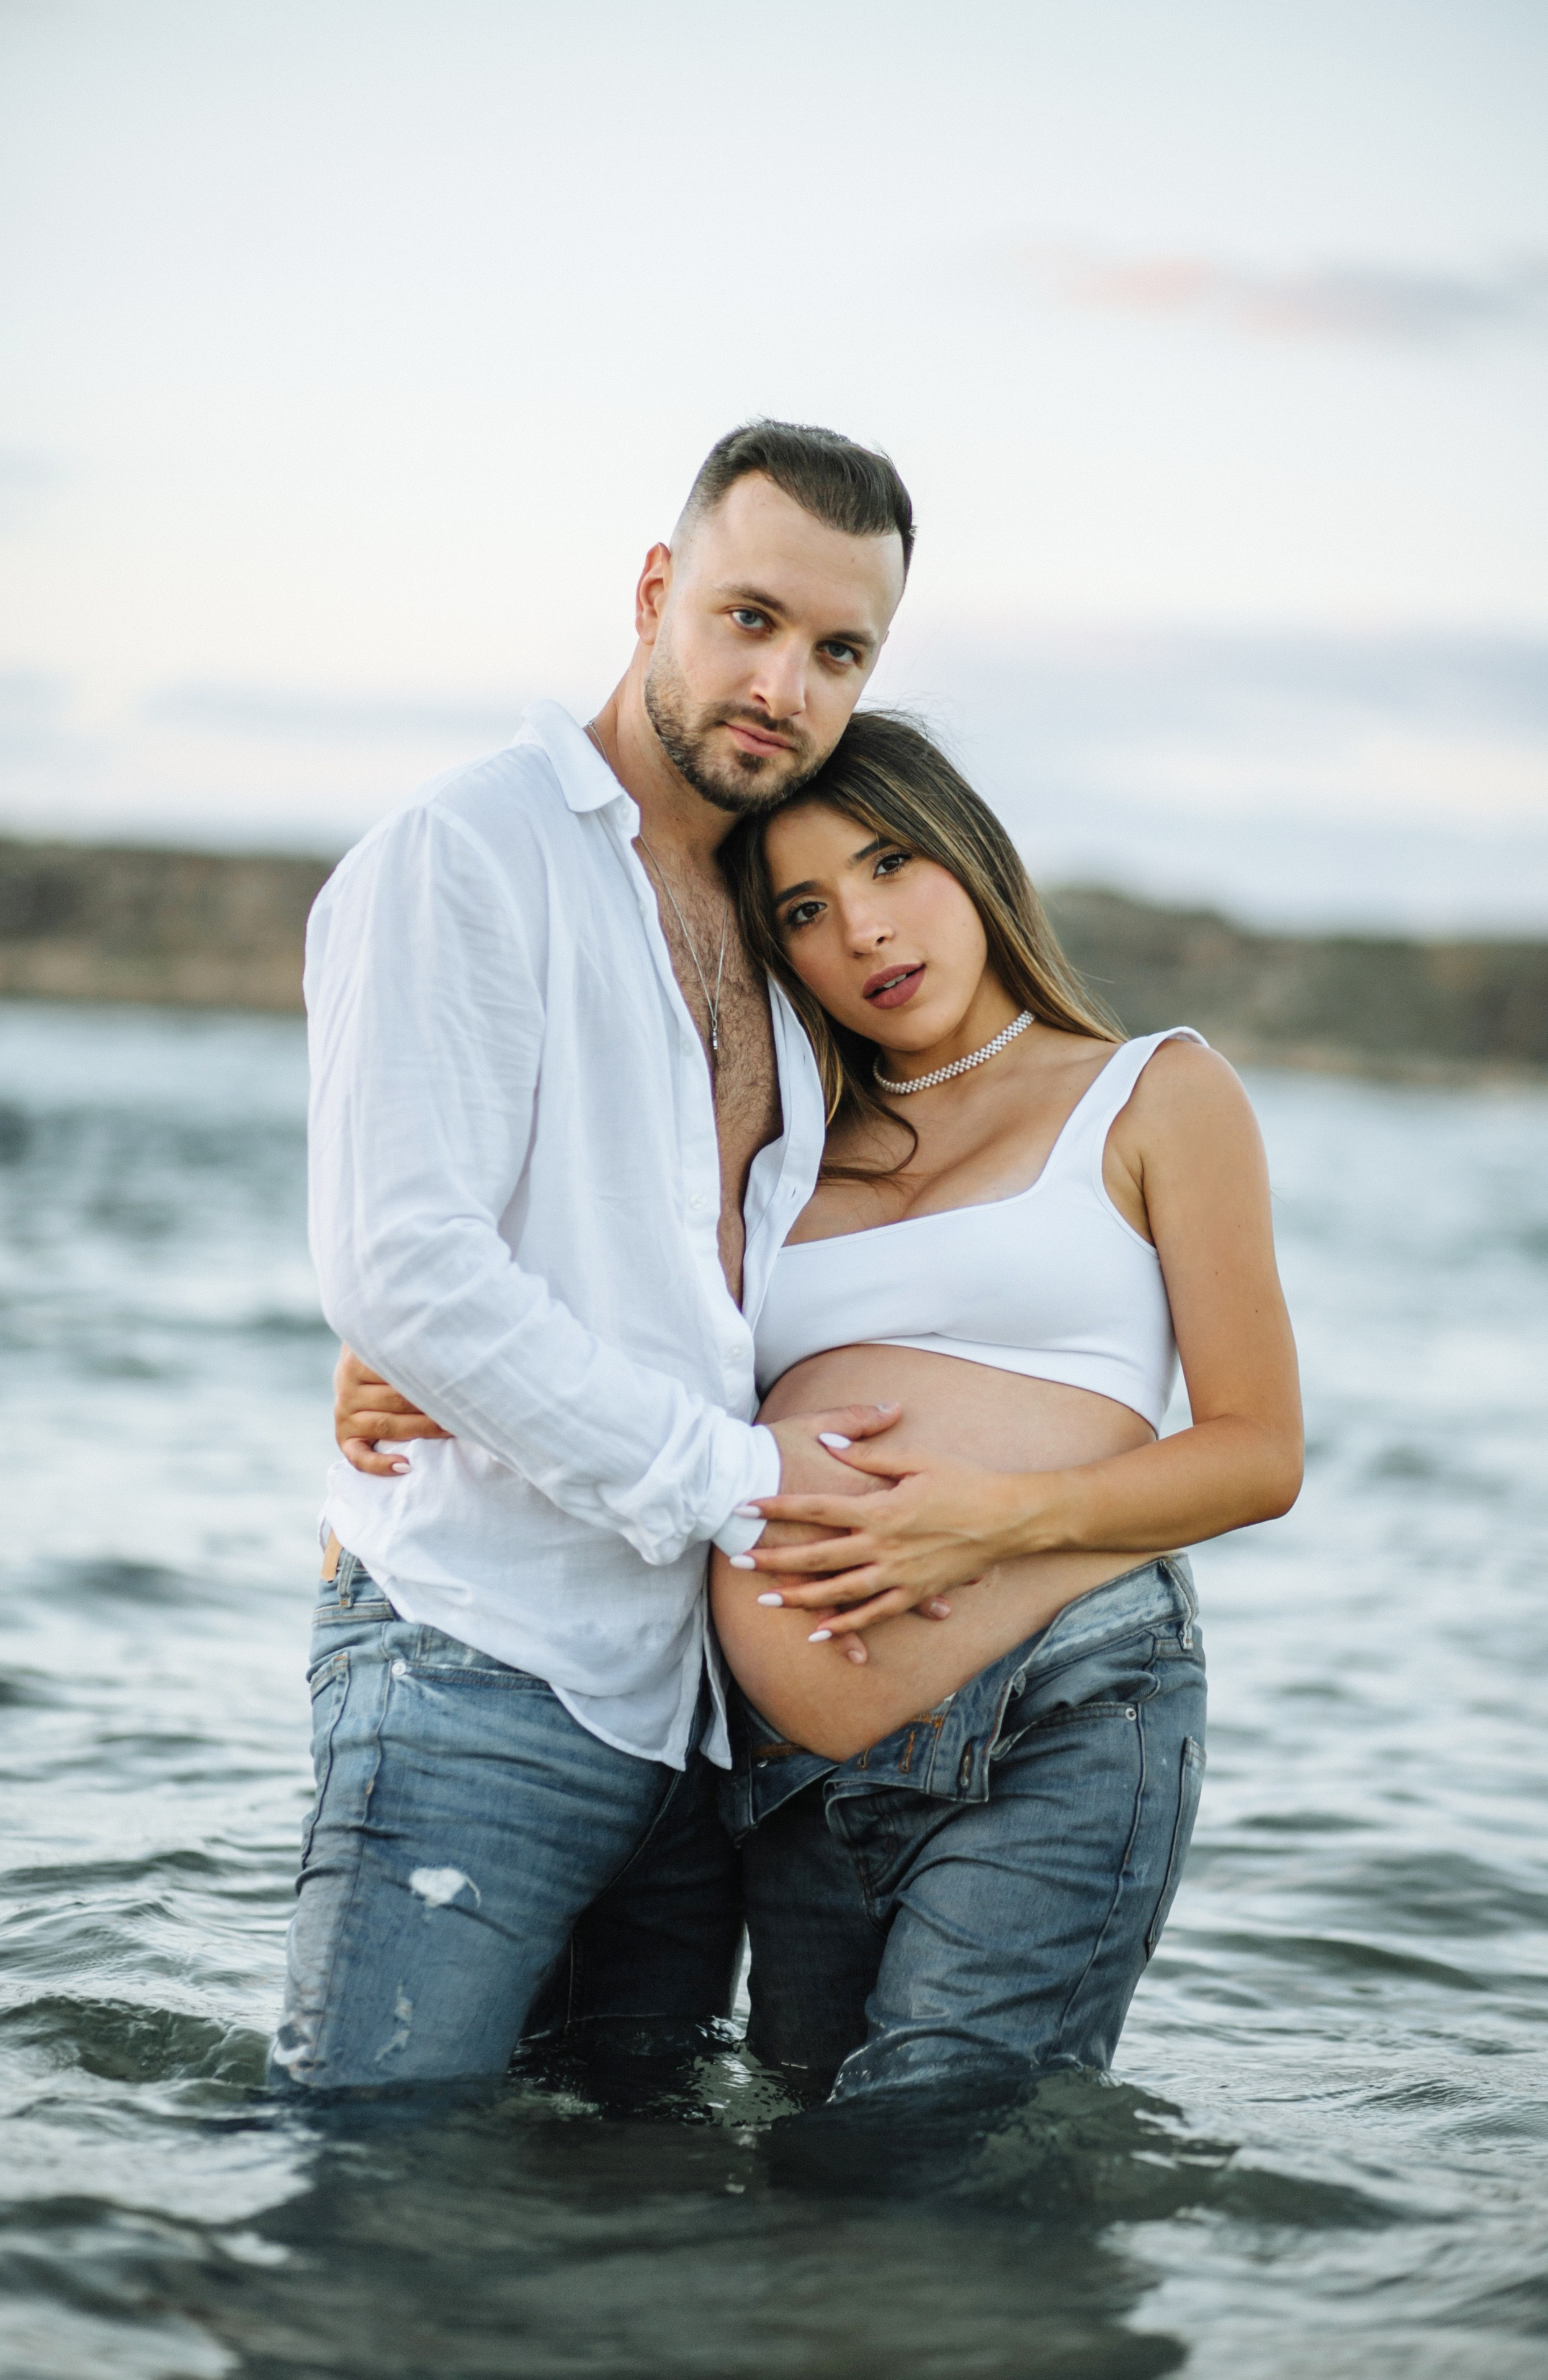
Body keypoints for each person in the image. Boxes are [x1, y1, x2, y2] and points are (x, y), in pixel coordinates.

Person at [341, 709, 1305, 2106]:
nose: (861, 930)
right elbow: (584, 1303)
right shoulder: (776, 1143)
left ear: (971, 861)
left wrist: (987, 1524)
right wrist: (416, 1351)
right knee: (808, 2175)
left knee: (924, 2149)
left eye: (892, 865)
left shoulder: (1153, 1092)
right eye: (803, 908)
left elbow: (1256, 1455)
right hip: (786, 1766)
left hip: (1063, 1702)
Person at [275, 421, 923, 2093]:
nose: (784, 683)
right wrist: (737, 1481)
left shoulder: (789, 942)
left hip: (698, 1719)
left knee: (616, 2230)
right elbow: (403, 1264)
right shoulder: (467, 856)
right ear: (655, 592)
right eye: (750, 618)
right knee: (369, 2200)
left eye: (839, 650)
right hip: (476, 1665)